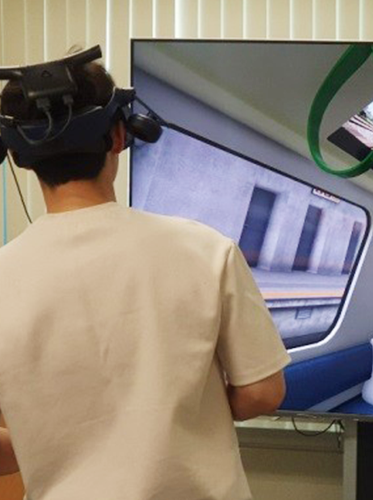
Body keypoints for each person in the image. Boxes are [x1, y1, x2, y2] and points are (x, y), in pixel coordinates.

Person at [0, 56, 290, 499]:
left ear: (17, 155)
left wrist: (54, 438)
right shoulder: (207, 250)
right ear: (119, 135)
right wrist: (182, 419)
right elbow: (263, 393)